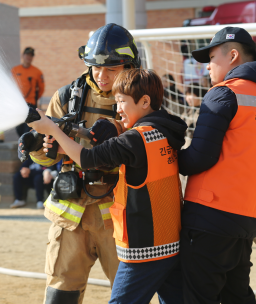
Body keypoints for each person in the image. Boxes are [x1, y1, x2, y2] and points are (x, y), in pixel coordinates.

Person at [28, 69, 187, 303]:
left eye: (121, 101)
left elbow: (88, 158)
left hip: (142, 250)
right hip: (170, 244)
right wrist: (64, 145)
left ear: (144, 102)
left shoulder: (135, 139)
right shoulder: (164, 132)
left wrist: (52, 130)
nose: (118, 108)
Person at [17, 23, 140, 304]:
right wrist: (38, 147)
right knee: (60, 294)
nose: (102, 75)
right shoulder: (66, 97)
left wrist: (119, 129)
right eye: (95, 67)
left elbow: (153, 141)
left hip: (120, 221)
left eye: (111, 68)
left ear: (129, 65)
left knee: (129, 296)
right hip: (70, 220)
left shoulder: (141, 100)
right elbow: (50, 154)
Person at [176, 27, 256, 303]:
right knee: (236, 295)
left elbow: (199, 158)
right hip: (248, 219)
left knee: (195, 295)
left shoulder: (223, 94)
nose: (206, 67)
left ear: (233, 56)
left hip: (208, 215)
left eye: (212, 57)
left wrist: (166, 156)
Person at [12, 47, 45, 137]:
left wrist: (33, 98)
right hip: (18, 103)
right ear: (23, 55)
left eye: (31, 55)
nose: (29, 57)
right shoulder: (15, 70)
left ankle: (25, 145)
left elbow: (41, 89)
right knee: (19, 127)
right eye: (27, 55)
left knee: (28, 127)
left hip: (30, 104)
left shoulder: (37, 72)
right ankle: (22, 143)